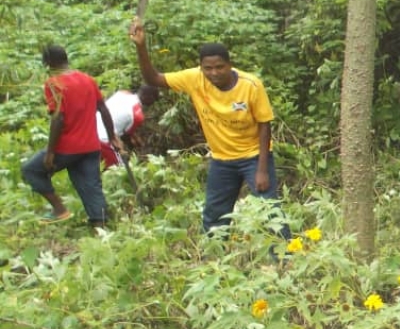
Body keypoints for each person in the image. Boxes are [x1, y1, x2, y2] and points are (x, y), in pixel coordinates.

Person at [128, 19, 290, 238]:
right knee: (215, 214)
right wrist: (141, 46)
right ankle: (215, 258)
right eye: (208, 68)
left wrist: (262, 169)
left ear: (230, 65)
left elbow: (264, 124)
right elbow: (153, 78)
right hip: (221, 159)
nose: (214, 73)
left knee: (269, 211)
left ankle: (283, 258)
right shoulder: (194, 78)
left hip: (253, 156)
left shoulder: (250, 85)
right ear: (201, 68)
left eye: (219, 67)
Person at [21, 45, 119, 227]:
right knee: (91, 186)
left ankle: (59, 209)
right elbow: (103, 109)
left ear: (48, 62)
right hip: (91, 145)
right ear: (66, 59)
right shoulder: (88, 79)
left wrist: (50, 153)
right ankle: (101, 228)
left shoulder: (53, 83)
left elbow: (58, 119)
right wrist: (113, 136)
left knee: (31, 170)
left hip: (68, 148)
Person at [97, 86, 160, 168]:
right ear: (149, 97)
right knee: (121, 170)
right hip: (103, 139)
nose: (153, 103)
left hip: (89, 129)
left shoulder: (123, 93)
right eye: (154, 100)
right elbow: (126, 136)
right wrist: (135, 149)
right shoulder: (138, 116)